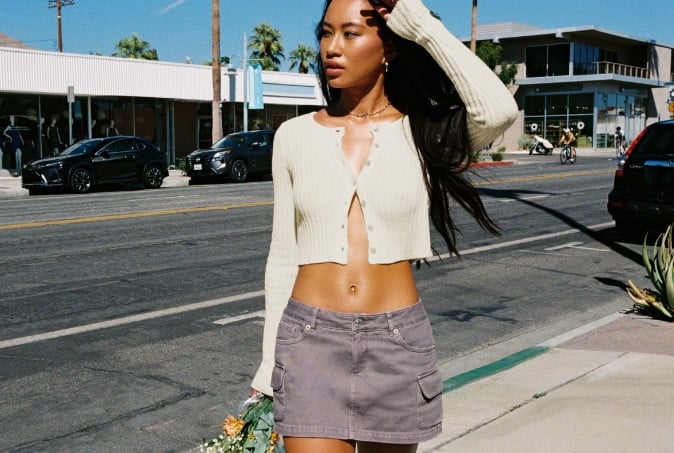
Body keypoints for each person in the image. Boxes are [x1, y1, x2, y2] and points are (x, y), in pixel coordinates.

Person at [250, 0, 517, 452]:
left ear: (388, 46)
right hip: (309, 341)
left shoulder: (423, 132)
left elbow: (498, 111)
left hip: (397, 342)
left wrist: (419, 23)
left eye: (350, 34)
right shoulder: (293, 136)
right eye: (325, 33)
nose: (331, 48)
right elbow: (283, 255)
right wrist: (266, 364)